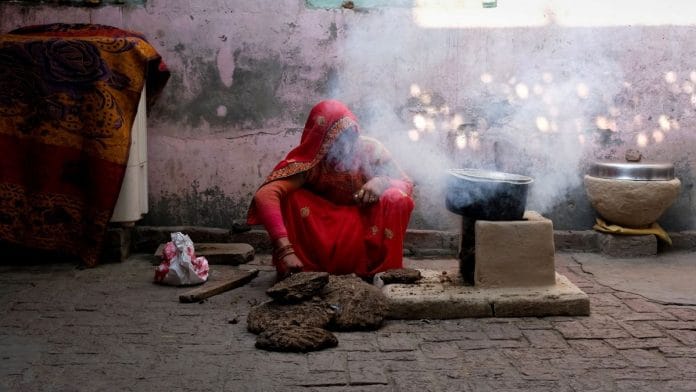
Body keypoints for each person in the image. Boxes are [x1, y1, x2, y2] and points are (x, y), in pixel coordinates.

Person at [247, 100, 415, 280]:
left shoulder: (370, 149)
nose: (346, 146)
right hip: (323, 229)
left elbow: (406, 183)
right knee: (292, 197)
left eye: (350, 136)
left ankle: (383, 273)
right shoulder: (310, 162)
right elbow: (265, 195)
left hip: (364, 226)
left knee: (397, 198)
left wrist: (382, 182)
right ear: (321, 139)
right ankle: (303, 273)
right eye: (337, 139)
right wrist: (285, 250)